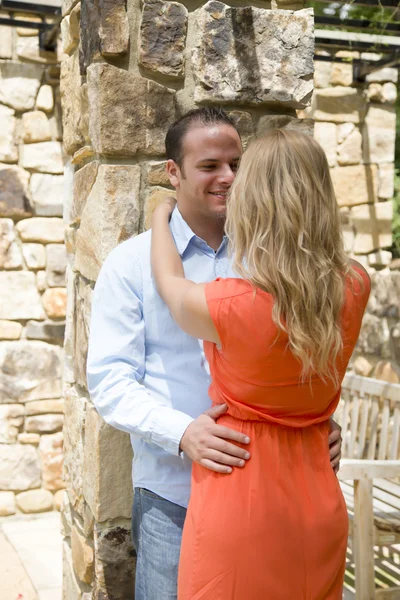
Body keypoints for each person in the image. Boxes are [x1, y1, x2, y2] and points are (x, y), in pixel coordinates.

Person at [87, 108, 343, 600]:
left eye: (237, 163)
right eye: (209, 166)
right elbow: (110, 381)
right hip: (174, 493)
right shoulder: (132, 264)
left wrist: (323, 421)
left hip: (275, 498)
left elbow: (311, 350)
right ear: (173, 172)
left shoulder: (273, 255)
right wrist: (183, 433)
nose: (228, 177)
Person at [150, 128, 370, 600]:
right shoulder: (355, 285)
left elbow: (170, 283)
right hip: (318, 491)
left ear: (256, 201)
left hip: (242, 494)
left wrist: (158, 215)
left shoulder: (232, 304)